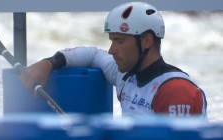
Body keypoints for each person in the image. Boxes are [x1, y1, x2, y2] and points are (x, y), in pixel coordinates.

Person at [20, 2, 208, 121]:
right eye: (112, 41)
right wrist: (49, 63)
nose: (112, 50)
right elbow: (92, 54)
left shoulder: (177, 91)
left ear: (147, 41)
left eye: (119, 41)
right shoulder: (124, 74)